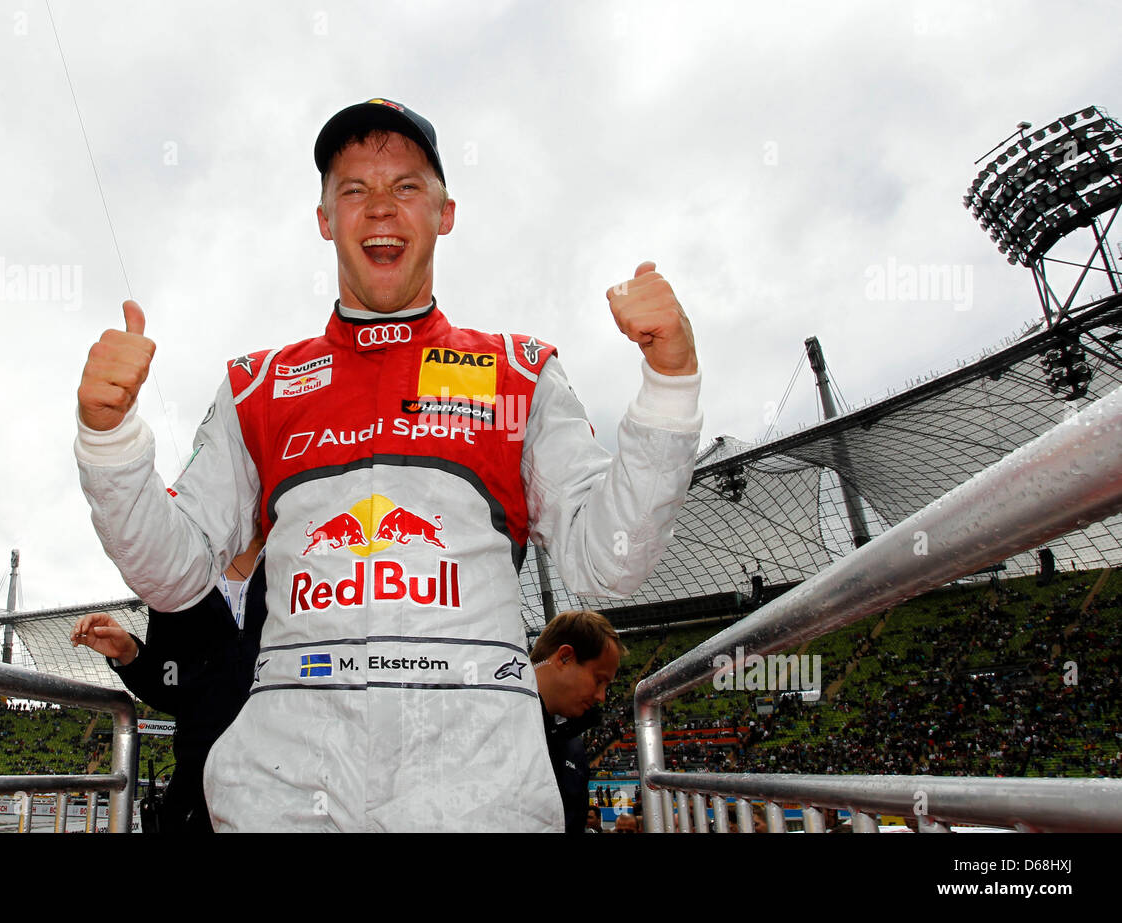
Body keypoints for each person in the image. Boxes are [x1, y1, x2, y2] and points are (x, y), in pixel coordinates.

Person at [74, 97, 703, 831]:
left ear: (445, 213)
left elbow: (609, 563)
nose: (380, 209)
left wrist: (669, 386)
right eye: (354, 190)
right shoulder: (260, 384)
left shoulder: (518, 371)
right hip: (281, 799)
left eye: (406, 187)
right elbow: (172, 573)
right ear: (324, 220)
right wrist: (109, 438)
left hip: (479, 799)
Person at [70, 537, 268, 832]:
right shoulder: (177, 576)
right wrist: (129, 654)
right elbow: (171, 689)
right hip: (196, 796)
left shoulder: (298, 561)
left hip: (284, 791)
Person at [531, 610, 623, 834]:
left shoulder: (574, 746)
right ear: (564, 657)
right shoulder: (496, 718)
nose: (601, 696)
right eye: (598, 680)